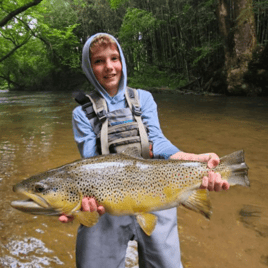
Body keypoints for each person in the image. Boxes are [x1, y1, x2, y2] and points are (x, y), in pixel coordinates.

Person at [59, 33, 229, 268]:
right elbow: (91, 163)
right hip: (108, 204)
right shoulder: (81, 113)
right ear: (89, 68)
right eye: (99, 61)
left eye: (114, 58)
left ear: (123, 62)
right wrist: (76, 205)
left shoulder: (144, 99)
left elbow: (157, 142)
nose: (109, 67)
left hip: (155, 194)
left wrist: (190, 159)